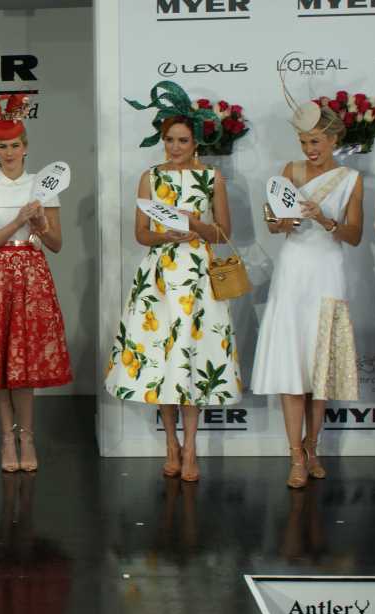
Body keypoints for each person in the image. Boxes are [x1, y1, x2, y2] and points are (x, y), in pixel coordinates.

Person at [104, 81, 242, 482]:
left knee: (193, 356)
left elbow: (224, 233)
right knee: (161, 357)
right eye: (169, 140)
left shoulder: (212, 178)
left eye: (182, 140)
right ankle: (170, 443)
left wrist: (194, 224)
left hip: (198, 276)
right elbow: (141, 234)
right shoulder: (150, 177)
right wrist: (166, 235)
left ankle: (191, 447)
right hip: (160, 276)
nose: (175, 147)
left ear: (195, 141)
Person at [0, 94, 72, 473]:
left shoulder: (43, 185)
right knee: (0, 364)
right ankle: (7, 438)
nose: (9, 152)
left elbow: (56, 244)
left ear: (26, 148)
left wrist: (39, 224)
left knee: (25, 365)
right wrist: (17, 221)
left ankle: (28, 437)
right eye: (2, 146)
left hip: (32, 277)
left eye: (15, 145)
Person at [252, 91, 362, 489]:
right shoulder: (290, 170)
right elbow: (273, 224)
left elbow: (354, 235)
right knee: (292, 363)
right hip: (293, 270)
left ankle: (313, 448)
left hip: (327, 272)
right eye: (303, 142)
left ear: (333, 139)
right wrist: (285, 223)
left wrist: (325, 218)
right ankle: (295, 455)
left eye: (315, 141)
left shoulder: (350, 179)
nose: (309, 149)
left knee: (320, 368)